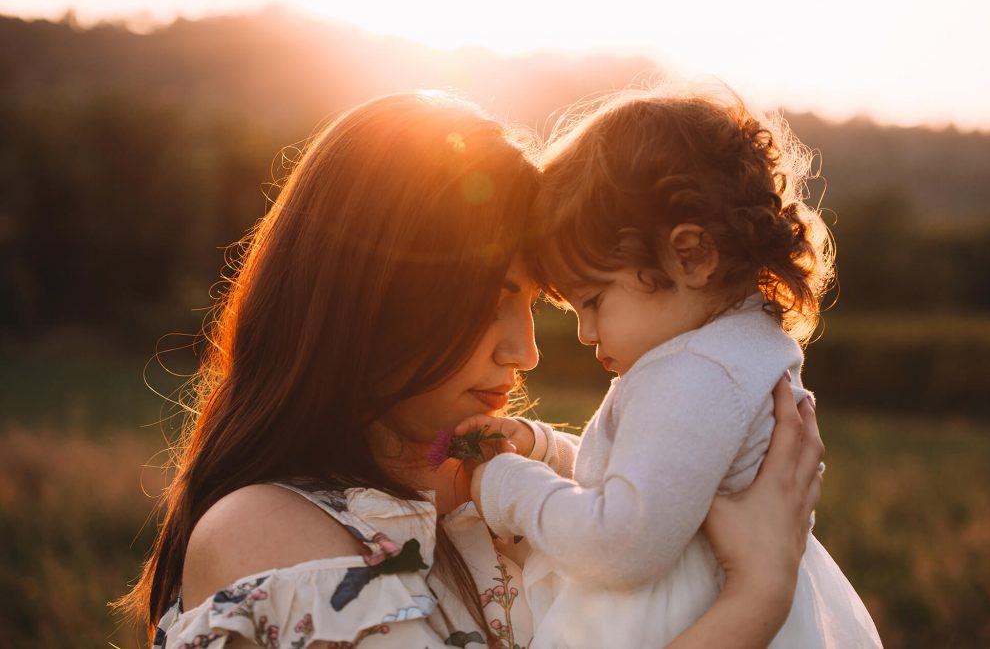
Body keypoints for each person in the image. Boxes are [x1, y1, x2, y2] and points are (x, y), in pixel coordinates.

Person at [118, 91, 825, 649]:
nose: (526, 353)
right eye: (490, 304)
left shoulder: (498, 491)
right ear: (376, 300)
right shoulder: (269, 537)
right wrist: (758, 596)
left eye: (535, 305)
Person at [462, 88, 882, 648]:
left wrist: (513, 486)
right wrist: (547, 449)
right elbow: (662, 473)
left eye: (594, 301)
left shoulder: (697, 375)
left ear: (691, 256)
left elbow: (621, 541)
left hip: (668, 618)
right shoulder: (742, 350)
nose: (586, 333)